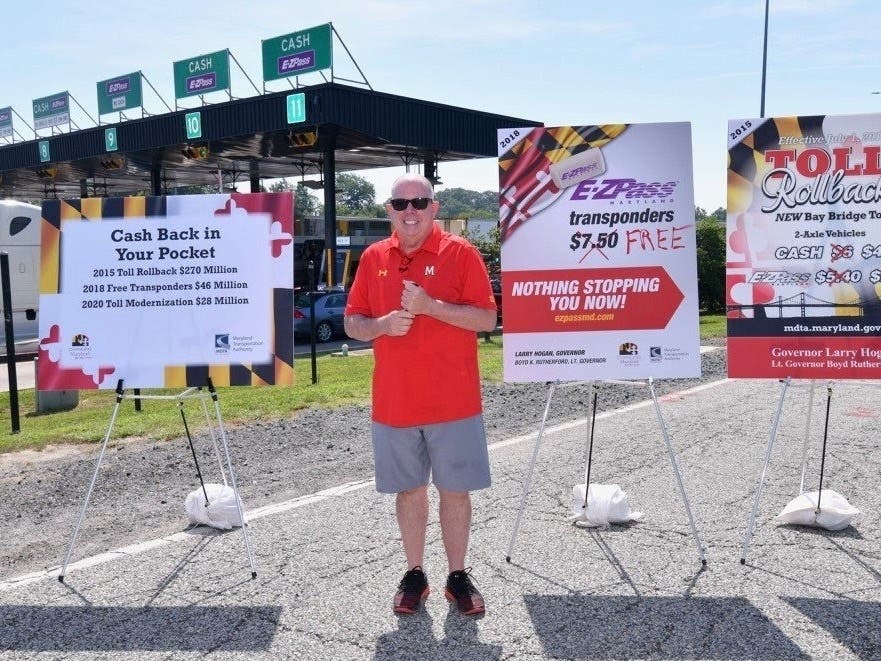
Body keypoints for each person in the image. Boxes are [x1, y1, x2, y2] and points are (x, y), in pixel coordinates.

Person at [344, 173, 497, 616]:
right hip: (395, 404)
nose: (409, 211)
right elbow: (353, 323)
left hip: (454, 402)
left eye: (419, 202)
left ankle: (457, 575)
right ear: (389, 210)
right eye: (400, 203)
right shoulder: (373, 257)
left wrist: (431, 306)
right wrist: (380, 326)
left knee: (455, 492)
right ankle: (415, 574)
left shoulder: (462, 253)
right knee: (408, 492)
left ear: (435, 208)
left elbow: (487, 319)